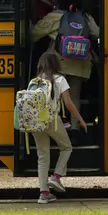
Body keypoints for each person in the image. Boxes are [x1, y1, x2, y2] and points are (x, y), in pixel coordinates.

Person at [31, 0, 99, 140]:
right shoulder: (86, 17)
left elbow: (34, 33)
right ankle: (74, 130)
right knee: (74, 95)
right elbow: (97, 32)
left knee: (53, 96)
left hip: (57, 63)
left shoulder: (55, 16)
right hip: (80, 63)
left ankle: (53, 130)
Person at [33, 52, 87, 204]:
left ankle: (43, 193)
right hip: (51, 120)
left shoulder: (36, 81)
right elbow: (69, 104)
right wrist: (80, 120)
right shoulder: (60, 79)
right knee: (66, 147)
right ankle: (56, 177)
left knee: (42, 157)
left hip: (35, 121)